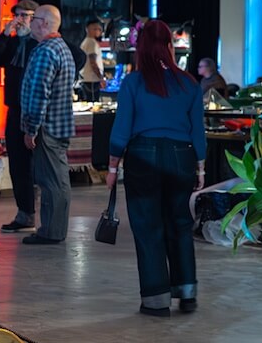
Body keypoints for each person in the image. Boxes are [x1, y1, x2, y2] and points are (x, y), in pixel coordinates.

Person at [107, 20, 206, 317]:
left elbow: (121, 128)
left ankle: (156, 300)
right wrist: (201, 168)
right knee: (180, 224)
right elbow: (197, 130)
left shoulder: (133, 82)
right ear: (170, 46)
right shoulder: (189, 83)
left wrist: (112, 166)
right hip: (181, 156)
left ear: (141, 47)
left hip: (143, 156)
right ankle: (186, 291)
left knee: (147, 227)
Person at [19, 5, 75, 246]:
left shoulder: (46, 51)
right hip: (59, 125)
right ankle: (54, 229)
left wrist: (31, 129)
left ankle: (51, 231)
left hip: (47, 128)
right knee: (58, 179)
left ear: (44, 23)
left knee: (51, 181)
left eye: (33, 18)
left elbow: (39, 94)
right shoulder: (61, 48)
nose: (30, 22)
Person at [0, 0, 39, 232]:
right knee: (18, 163)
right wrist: (5, 34)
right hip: (15, 108)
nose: (21, 20)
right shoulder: (11, 42)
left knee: (38, 164)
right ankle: (25, 213)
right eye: (18, 15)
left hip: (36, 108)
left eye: (26, 15)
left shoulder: (40, 42)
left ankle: (42, 215)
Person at [79, 18, 105, 102]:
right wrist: (101, 78)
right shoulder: (91, 42)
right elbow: (92, 62)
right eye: (95, 29)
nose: (97, 31)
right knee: (93, 104)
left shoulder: (86, 42)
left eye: (99, 29)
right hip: (92, 80)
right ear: (87, 29)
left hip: (86, 79)